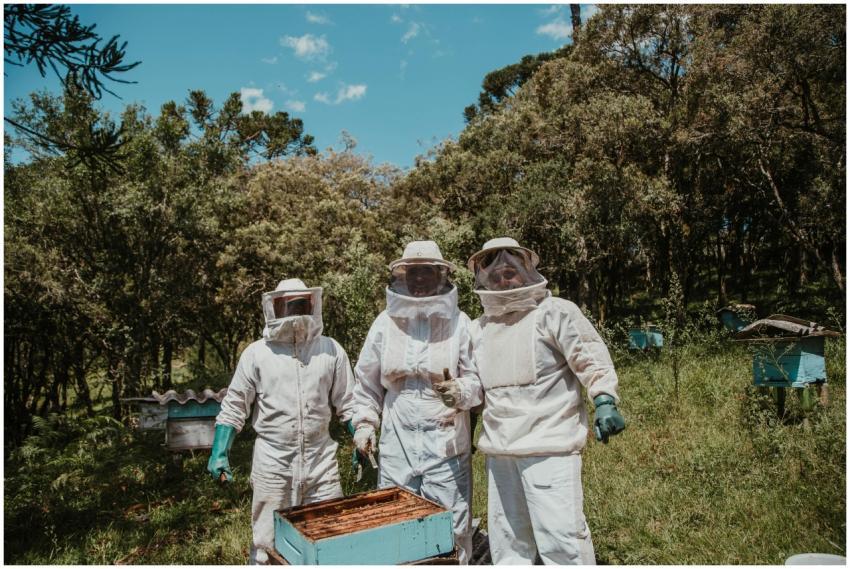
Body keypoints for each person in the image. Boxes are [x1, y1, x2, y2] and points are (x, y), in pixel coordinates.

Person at [467, 237, 626, 565]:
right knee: (507, 543)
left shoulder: (556, 312)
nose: (503, 279)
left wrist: (605, 399)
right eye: (494, 274)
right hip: (500, 451)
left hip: (550, 446)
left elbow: (589, 357)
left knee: (562, 540)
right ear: (482, 279)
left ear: (527, 271)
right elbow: (474, 387)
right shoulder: (477, 328)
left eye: (510, 272)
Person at [207, 278, 356, 565]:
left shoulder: (330, 349)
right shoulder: (257, 354)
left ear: (311, 305)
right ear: (274, 308)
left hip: (321, 461)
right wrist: (219, 451)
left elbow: (348, 403)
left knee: (331, 537)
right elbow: (235, 405)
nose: (295, 312)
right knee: (268, 544)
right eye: (288, 305)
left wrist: (361, 435)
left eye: (300, 304)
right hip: (273, 463)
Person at [351, 240, 482, 564]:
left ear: (440, 276)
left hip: (446, 438)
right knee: (396, 519)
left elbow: (479, 381)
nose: (419, 279)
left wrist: (461, 391)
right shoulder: (385, 323)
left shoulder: (460, 323)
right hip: (398, 438)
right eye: (413, 272)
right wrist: (365, 423)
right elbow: (367, 383)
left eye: (426, 272)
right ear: (402, 277)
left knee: (451, 523)